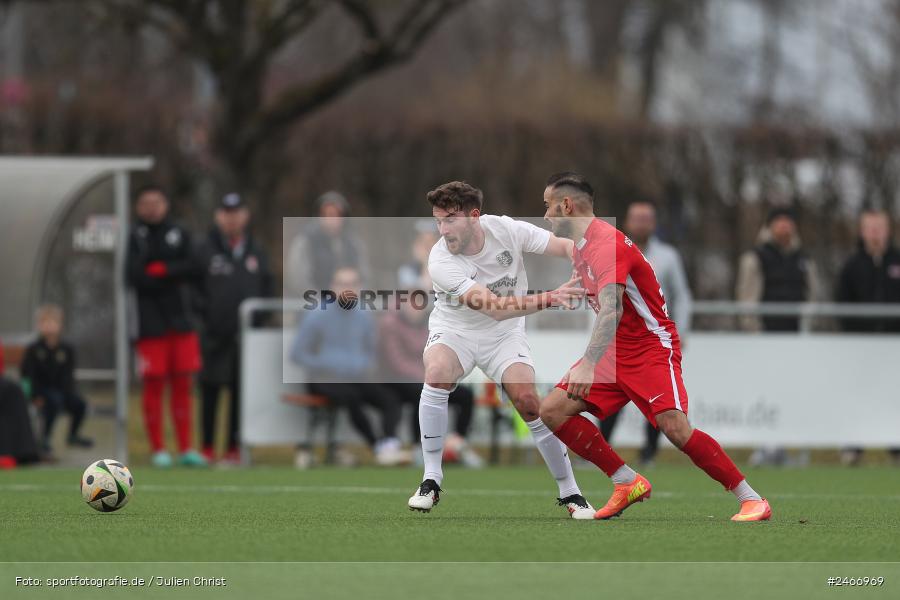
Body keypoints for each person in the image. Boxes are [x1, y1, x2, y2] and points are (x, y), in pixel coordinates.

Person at [538, 172, 771, 522]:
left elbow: (613, 309)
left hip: (650, 347)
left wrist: (587, 362)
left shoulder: (606, 244)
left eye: (548, 206)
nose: (545, 216)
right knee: (553, 410)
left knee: (675, 427)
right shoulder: (584, 246)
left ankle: (752, 499)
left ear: (567, 205)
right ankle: (625, 480)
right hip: (616, 350)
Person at [406, 181, 594, 519]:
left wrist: (590, 261)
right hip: (455, 331)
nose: (443, 229)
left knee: (529, 402)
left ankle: (571, 493)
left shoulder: (506, 229)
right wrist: (552, 297)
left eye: (450, 219)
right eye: (438, 221)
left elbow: (563, 245)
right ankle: (430, 479)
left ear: (474, 216)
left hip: (504, 336)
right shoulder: (440, 259)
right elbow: (493, 307)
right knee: (436, 372)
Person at [599, 200, 693, 465]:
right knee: (611, 395)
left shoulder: (668, 256)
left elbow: (682, 295)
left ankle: (649, 453)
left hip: (653, 340)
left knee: (659, 400)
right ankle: (601, 450)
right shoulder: (613, 251)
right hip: (620, 338)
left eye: (646, 219)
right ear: (627, 222)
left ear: (654, 223)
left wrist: (682, 330)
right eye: (636, 218)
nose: (641, 224)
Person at [290, 266, 409, 465]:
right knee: (351, 397)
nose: (348, 289)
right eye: (343, 284)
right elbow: (297, 354)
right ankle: (377, 448)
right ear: (332, 287)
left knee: (390, 399)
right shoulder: (317, 315)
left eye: (353, 284)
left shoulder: (363, 316)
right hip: (323, 379)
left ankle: (390, 445)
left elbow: (370, 351)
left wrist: (361, 363)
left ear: (360, 287)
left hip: (355, 378)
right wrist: (329, 363)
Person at [126, 184, 207, 468]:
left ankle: (186, 448)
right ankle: (158, 449)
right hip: (149, 325)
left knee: (183, 384)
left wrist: (165, 270)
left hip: (181, 322)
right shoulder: (134, 236)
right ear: (138, 207)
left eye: (156, 202)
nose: (151, 208)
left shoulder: (179, 232)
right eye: (145, 203)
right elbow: (135, 275)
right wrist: (170, 275)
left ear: (165, 204)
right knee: (154, 385)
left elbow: (195, 267)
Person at [195, 192, 273, 465]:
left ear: (245, 216)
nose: (232, 219)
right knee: (210, 391)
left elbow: (267, 288)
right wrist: (203, 320)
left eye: (237, 213)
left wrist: (259, 323)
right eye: (227, 214)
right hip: (213, 335)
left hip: (245, 338)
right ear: (218, 216)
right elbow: (193, 289)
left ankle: (233, 447)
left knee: (240, 393)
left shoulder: (256, 250)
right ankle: (206, 447)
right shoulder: (205, 249)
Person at [376, 282, 481, 467]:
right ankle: (420, 447)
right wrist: (428, 373)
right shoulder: (390, 324)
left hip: (427, 376)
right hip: (396, 380)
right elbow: (396, 361)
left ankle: (457, 444)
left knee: (465, 395)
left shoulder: (433, 323)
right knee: (423, 393)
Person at [835, 208, 900, 466]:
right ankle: (853, 446)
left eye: (879, 228)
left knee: (894, 394)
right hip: (860, 346)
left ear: (888, 230)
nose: (875, 233)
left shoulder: (897, 261)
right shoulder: (851, 265)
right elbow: (841, 304)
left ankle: (896, 445)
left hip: (894, 345)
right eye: (870, 228)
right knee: (858, 394)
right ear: (862, 232)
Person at [19, 304, 93, 454]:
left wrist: (70, 393)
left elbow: (69, 375)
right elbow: (28, 375)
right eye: (45, 322)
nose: (49, 326)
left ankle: (72, 435)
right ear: (39, 325)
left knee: (80, 404)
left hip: (63, 392)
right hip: (42, 392)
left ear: (60, 325)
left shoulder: (67, 349)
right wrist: (33, 396)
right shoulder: (33, 349)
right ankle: (45, 439)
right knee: (54, 401)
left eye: (53, 322)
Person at [736, 207, 821, 332]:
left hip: (798, 333)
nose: (784, 225)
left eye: (788, 221)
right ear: (769, 226)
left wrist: (809, 326)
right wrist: (754, 331)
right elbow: (747, 299)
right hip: (765, 333)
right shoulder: (755, 258)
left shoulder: (805, 260)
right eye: (779, 221)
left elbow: (812, 295)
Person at [285, 191, 370, 297]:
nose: (332, 219)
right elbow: (298, 279)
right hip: (314, 302)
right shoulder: (306, 242)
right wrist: (321, 299)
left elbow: (364, 276)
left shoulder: (353, 243)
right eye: (328, 214)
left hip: (350, 302)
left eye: (338, 215)